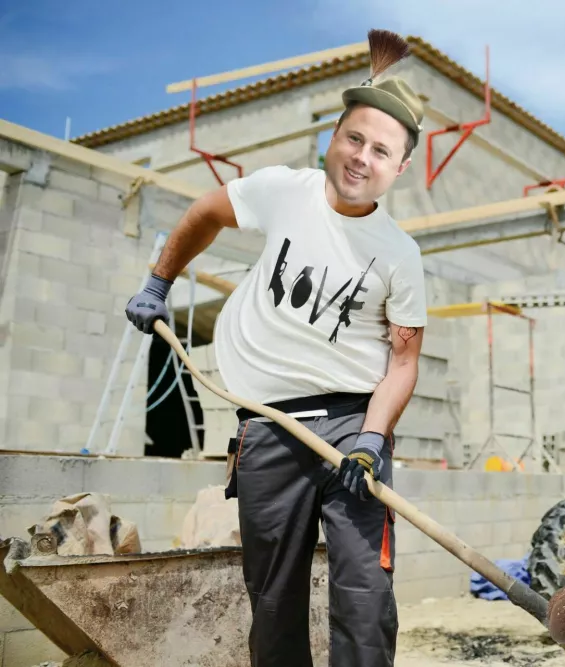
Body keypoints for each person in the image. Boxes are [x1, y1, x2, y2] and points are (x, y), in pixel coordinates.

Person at [124, 29, 427, 667]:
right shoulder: (283, 191)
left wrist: (373, 439)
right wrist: (159, 282)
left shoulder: (400, 255)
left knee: (366, 599)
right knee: (273, 602)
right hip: (268, 427)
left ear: (399, 168)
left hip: (352, 430)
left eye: (381, 150)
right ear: (333, 137)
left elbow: (403, 364)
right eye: (354, 139)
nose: (362, 158)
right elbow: (206, 212)